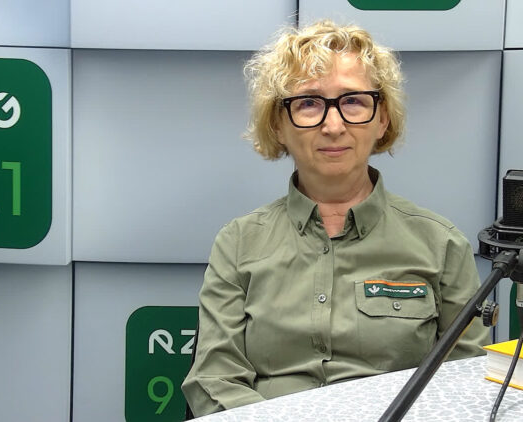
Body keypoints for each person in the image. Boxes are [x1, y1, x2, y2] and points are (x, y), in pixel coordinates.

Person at [182, 20, 490, 417]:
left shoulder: (441, 245)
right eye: (308, 103)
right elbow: (214, 378)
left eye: (353, 101)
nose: (333, 126)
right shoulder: (239, 243)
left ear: (382, 119)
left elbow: (466, 381)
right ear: (278, 124)